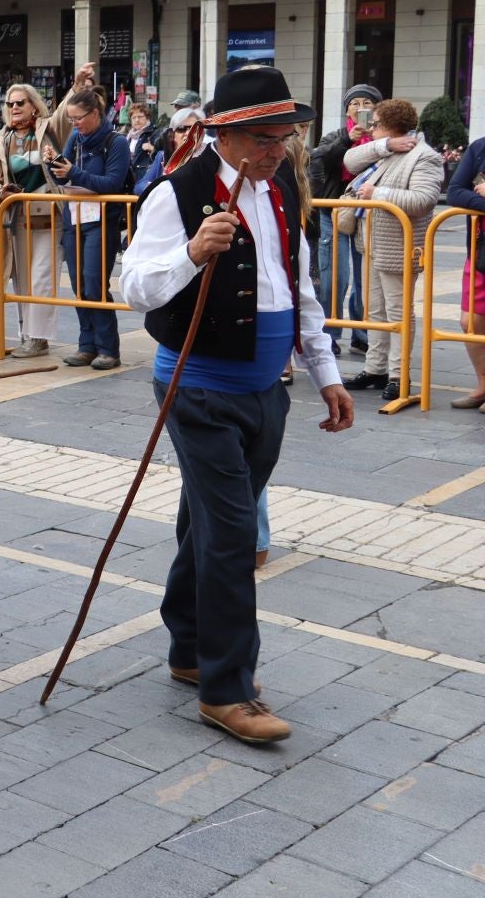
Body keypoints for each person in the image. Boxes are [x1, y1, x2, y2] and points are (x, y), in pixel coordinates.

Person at [122, 66, 353, 745]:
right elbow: (130, 283)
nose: (277, 150)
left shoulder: (282, 187)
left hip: (266, 389)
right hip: (197, 389)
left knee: (208, 526)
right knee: (234, 538)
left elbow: (300, 286)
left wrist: (328, 371)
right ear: (221, 132)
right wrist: (192, 254)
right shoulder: (178, 192)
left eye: (285, 136)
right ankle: (227, 688)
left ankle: (190, 645)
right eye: (263, 137)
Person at [340, 99, 443, 401]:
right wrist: (385, 145)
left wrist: (377, 193)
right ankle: (376, 368)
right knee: (375, 310)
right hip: (371, 242)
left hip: (400, 246)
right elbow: (348, 161)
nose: (370, 128)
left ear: (391, 125)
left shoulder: (426, 157)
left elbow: (423, 200)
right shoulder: (388, 150)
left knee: (398, 312)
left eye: (376, 123)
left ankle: (400, 375)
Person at [51, 79, 131, 370]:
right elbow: (65, 176)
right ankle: (87, 345)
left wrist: (75, 174)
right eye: (71, 119)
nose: (74, 125)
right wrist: (56, 166)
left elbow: (112, 182)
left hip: (102, 222)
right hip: (75, 218)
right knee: (78, 283)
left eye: (78, 119)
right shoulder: (75, 139)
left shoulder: (116, 142)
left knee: (94, 282)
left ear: (96, 114)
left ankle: (108, 348)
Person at [0, 83, 63, 359]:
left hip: (48, 215)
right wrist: (0, 194)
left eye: (20, 102)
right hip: (16, 216)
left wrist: (77, 85)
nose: (15, 108)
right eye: (10, 104)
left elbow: (65, 115)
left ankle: (39, 338)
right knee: (21, 279)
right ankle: (26, 333)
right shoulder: (0, 139)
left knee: (42, 276)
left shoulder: (47, 130)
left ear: (33, 105)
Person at [309, 85, 382, 357]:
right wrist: (347, 141)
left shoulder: (381, 139)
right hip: (334, 212)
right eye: (355, 103)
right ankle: (330, 333)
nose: (360, 107)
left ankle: (361, 334)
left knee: (365, 279)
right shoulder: (336, 136)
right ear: (347, 109)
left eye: (367, 102)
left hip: (368, 215)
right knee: (334, 277)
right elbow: (319, 162)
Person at [136, 107, 200, 200]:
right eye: (181, 129)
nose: (187, 133)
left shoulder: (208, 157)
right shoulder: (162, 156)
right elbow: (139, 186)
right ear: (173, 135)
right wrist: (157, 188)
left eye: (193, 129)